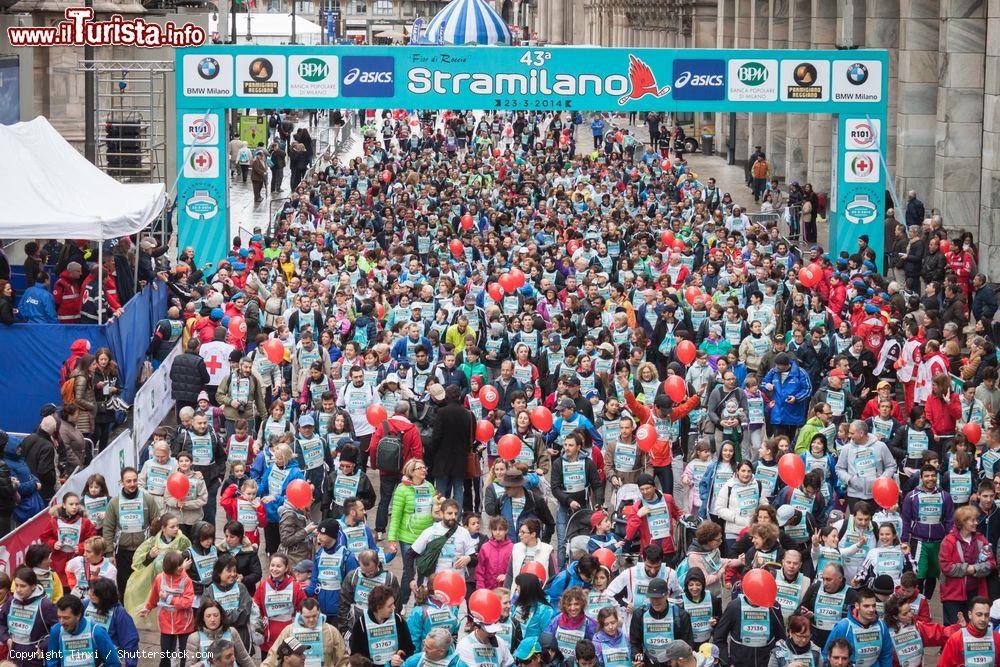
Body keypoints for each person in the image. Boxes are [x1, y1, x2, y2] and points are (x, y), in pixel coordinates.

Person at [100, 467, 160, 602]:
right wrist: (109, 553)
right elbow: (108, 528)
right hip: (122, 552)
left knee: (144, 583)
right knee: (124, 584)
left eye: (134, 480)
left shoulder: (148, 499)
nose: (132, 484)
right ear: (121, 482)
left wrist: (155, 545)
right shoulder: (114, 502)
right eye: (128, 481)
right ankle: (126, 611)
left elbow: (157, 524)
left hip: (144, 551)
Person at [369, 400, 423, 541]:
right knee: (404, 501)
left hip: (386, 471)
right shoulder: (412, 429)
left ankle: (380, 530)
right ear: (407, 412)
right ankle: (403, 529)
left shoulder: (383, 425)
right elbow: (417, 453)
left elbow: (374, 447)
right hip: (405, 472)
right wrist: (415, 472)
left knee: (384, 500)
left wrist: (375, 465)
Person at [939, 505, 995, 624]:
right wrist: (966, 569)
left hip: (975, 593)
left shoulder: (981, 539)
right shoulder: (949, 541)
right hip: (952, 595)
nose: (976, 522)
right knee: (953, 630)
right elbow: (946, 566)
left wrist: (974, 569)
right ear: (962, 522)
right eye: (972, 520)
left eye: (976, 519)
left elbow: (991, 563)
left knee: (972, 629)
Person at [260, 597, 349, 667]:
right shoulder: (289, 630)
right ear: (299, 614)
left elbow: (343, 660)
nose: (311, 620)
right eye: (307, 617)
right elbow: (274, 656)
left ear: (319, 612)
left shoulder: (331, 631)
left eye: (314, 616)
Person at [426, 385, 475, 507]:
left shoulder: (442, 412)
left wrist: (430, 453)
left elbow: (436, 436)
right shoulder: (468, 414)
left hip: (443, 458)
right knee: (458, 489)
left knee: (440, 490)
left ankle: (440, 516)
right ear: (459, 396)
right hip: (460, 458)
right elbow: (472, 437)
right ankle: (456, 516)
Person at [0, 567, 58, 667]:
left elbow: (58, 630)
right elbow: (1, 623)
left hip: (34, 656)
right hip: (14, 652)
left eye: (23, 586)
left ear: (33, 586)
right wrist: (6, 639)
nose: (18, 590)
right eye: (16, 585)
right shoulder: (11, 601)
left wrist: (43, 646)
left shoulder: (44, 605)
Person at [822, 587, 893, 667]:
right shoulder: (843, 626)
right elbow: (827, 654)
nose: (871, 610)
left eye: (873, 606)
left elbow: (886, 655)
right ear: (857, 606)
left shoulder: (882, 626)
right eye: (866, 606)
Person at [45, 593, 121, 666]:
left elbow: (114, 663)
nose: (61, 622)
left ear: (78, 616)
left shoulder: (97, 632)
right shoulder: (56, 631)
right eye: (59, 617)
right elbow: (51, 661)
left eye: (66, 618)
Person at [347, 584, 414, 666]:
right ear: (379, 607)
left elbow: (409, 648)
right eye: (389, 606)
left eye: (393, 603)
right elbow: (356, 657)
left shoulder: (398, 620)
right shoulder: (361, 624)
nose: (394, 607)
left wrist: (400, 659)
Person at [937, 596, 1000, 667]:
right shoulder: (956, 639)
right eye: (979, 615)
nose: (983, 619)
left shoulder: (997, 638)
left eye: (986, 615)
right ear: (970, 615)